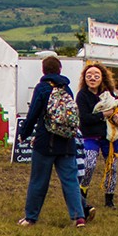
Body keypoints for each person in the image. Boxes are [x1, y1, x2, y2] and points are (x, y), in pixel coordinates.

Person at [17, 56, 87, 227]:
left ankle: (31, 217)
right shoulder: (67, 89)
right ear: (60, 69)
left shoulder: (42, 88)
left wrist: (24, 133)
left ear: (43, 70)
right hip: (67, 143)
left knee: (39, 181)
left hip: (45, 142)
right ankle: (78, 217)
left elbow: (33, 114)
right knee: (70, 181)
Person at [75, 62, 118, 209]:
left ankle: (109, 199)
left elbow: (117, 109)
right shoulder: (82, 95)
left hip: (109, 136)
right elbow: (84, 118)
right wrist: (103, 114)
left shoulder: (109, 94)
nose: (92, 78)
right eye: (89, 75)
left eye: (96, 75)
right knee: (89, 164)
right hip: (89, 135)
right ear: (84, 78)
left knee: (112, 167)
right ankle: (82, 193)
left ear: (102, 77)